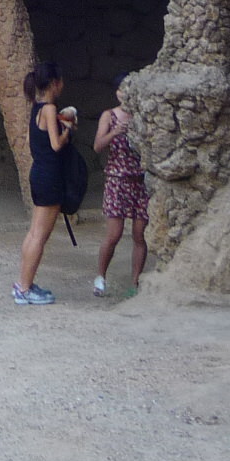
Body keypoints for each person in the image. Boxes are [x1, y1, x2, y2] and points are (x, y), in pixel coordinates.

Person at [15, 61, 76, 305]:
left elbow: (32, 140)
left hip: (39, 172)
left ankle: (23, 283)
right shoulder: (49, 109)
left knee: (33, 233)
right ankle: (25, 288)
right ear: (54, 83)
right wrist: (68, 129)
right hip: (50, 175)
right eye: (60, 81)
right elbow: (56, 144)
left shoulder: (36, 108)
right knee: (40, 235)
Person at [92, 76, 149, 296]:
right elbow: (98, 145)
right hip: (117, 180)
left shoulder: (144, 115)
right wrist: (115, 132)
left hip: (141, 181)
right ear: (117, 93)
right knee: (114, 234)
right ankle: (100, 277)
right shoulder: (110, 116)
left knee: (139, 234)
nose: (125, 95)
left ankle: (134, 283)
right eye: (122, 91)